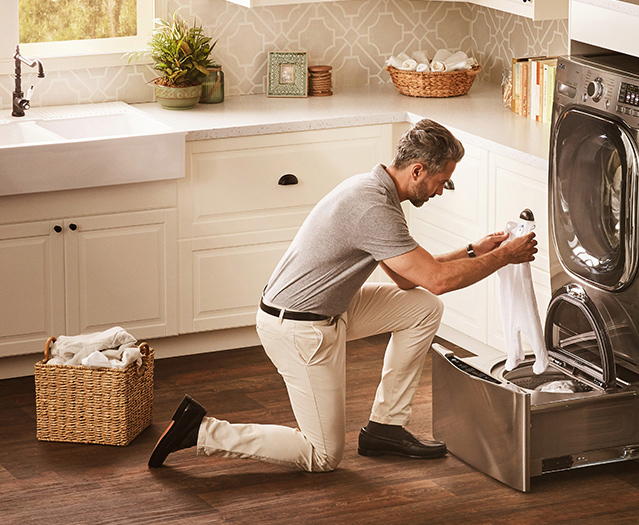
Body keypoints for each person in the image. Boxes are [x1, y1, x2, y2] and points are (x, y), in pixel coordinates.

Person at [148, 119, 538, 472]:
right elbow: (435, 278)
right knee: (322, 455)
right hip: (300, 329)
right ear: (417, 170)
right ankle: (202, 432)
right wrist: (505, 256)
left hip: (329, 310)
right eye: (442, 181)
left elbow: (408, 280)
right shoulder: (372, 207)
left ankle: (386, 427)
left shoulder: (376, 192)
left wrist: (474, 251)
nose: (440, 191)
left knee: (421, 309)